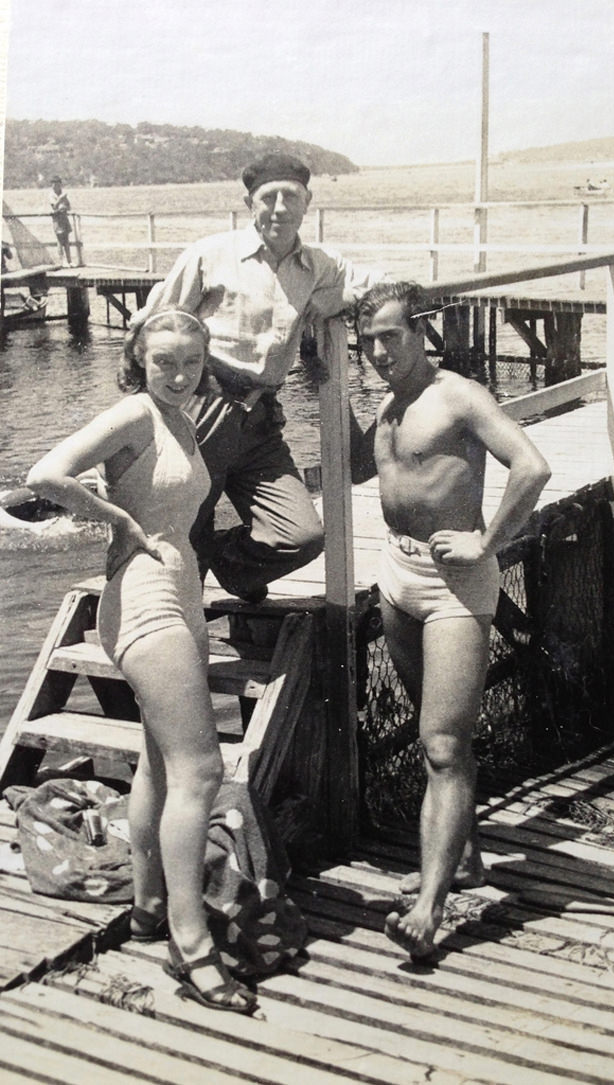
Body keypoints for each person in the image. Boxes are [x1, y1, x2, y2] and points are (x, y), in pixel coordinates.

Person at [26, 308, 257, 1014]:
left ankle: (152, 906)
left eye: (191, 361)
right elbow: (46, 474)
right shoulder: (135, 411)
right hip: (144, 597)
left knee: (161, 760)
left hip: (181, 590)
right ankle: (191, 946)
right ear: (139, 359)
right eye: (165, 362)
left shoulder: (182, 415)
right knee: (203, 767)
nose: (180, 375)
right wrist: (119, 521)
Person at [350, 282, 551, 960]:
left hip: (456, 584)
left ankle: (431, 908)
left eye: (389, 336)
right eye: (366, 340)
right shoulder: (385, 402)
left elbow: (532, 465)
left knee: (442, 745)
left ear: (421, 331)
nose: (378, 351)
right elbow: (364, 466)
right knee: (437, 737)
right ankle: (463, 861)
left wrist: (486, 542)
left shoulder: (458, 395)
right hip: (398, 575)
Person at [133, 152, 382, 603]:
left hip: (260, 417)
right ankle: (167, 612)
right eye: (269, 197)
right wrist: (147, 408)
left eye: (292, 197)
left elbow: (387, 289)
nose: (280, 207)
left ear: (309, 203)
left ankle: (224, 563)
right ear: (251, 203)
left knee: (301, 535)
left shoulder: (322, 265)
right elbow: (153, 324)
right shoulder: (211, 254)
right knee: (177, 528)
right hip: (200, 406)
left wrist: (342, 297)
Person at [49, 176, 73, 265]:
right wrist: (60, 200)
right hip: (57, 220)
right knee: (60, 241)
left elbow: (69, 207)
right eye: (53, 184)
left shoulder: (63, 194)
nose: (55, 186)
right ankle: (62, 262)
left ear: (60, 184)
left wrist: (64, 206)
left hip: (64, 219)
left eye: (57, 184)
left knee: (66, 241)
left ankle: (69, 261)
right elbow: (54, 207)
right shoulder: (51, 195)